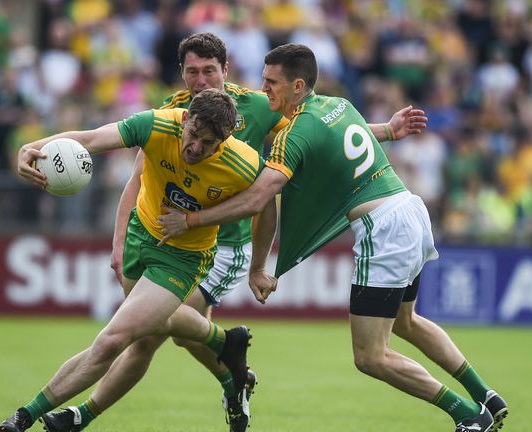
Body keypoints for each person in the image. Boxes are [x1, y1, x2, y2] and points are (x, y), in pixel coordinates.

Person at [43, 32, 428, 432]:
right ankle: (233, 377)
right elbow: (138, 179)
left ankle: (86, 413)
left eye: (210, 70)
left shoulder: (258, 107)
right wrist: (119, 239)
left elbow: (322, 133)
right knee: (156, 334)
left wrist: (386, 129)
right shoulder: (173, 114)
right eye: (192, 72)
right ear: (182, 74)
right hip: (174, 243)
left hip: (226, 247)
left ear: (225, 70)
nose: (201, 80)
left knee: (150, 328)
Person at [158, 44, 508, 432]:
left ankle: (468, 415)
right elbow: (338, 141)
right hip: (409, 209)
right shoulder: (338, 106)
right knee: (406, 322)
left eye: (271, 82)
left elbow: (260, 198)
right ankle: (486, 394)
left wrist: (191, 220)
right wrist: (389, 131)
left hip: (385, 230)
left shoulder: (295, 133)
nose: (264, 89)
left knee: (371, 357)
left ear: (298, 85)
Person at [0, 88, 259, 432]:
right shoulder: (156, 125)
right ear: (185, 119)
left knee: (114, 339)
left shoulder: (244, 164)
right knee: (149, 333)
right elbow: (89, 138)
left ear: (224, 141)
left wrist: (200, 225)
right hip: (141, 236)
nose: (195, 147)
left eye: (208, 143)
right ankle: (225, 343)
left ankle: (24, 416)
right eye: (193, 134)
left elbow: (261, 203)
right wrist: (32, 148)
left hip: (184, 258)